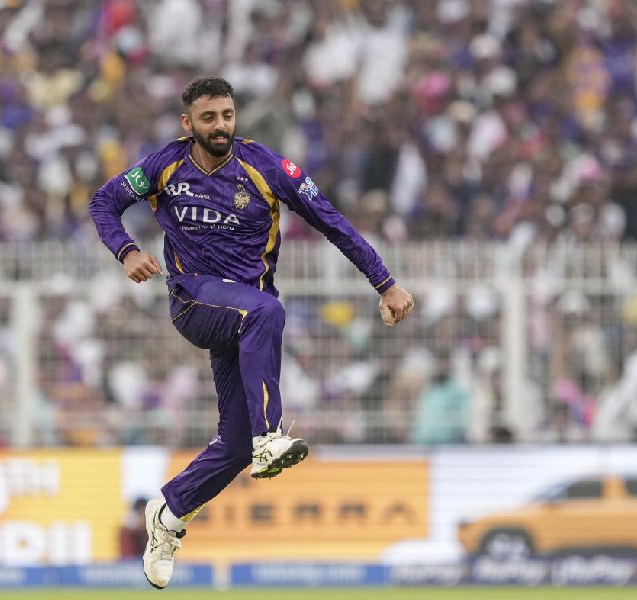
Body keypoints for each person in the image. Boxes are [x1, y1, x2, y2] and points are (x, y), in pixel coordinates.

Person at [89, 76, 414, 589]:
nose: (220, 126)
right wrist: (127, 251)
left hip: (243, 320)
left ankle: (169, 512)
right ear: (188, 124)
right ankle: (270, 436)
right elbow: (103, 202)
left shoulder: (265, 166)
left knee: (235, 442)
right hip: (195, 301)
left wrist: (385, 283)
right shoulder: (163, 166)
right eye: (209, 118)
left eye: (227, 115)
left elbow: (332, 221)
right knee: (267, 312)